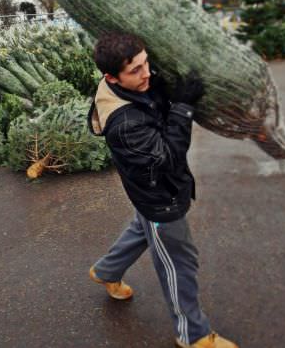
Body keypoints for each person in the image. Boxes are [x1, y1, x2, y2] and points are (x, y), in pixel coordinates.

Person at [86, 32, 237, 348]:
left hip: (150, 191)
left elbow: (150, 97)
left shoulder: (126, 87)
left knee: (142, 230)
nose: (147, 74)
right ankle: (193, 335)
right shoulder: (124, 124)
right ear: (112, 77)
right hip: (160, 199)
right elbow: (169, 156)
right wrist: (182, 107)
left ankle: (105, 270)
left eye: (146, 64)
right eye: (136, 71)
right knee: (179, 263)